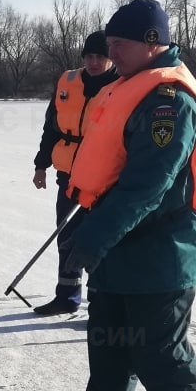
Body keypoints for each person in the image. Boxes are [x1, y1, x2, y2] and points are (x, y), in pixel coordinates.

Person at [56, 0, 196, 391]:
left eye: (119, 44)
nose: (111, 52)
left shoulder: (170, 101)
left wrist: (94, 236)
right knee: (108, 333)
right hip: (120, 241)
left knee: (157, 346)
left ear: (152, 43)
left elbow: (147, 185)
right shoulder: (129, 88)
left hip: (161, 246)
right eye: (107, 44)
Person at [30, 30, 118, 315]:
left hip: (105, 178)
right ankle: (66, 296)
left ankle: (100, 304)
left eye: (100, 57)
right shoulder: (68, 83)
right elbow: (51, 128)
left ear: (110, 58)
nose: (93, 62)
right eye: (89, 56)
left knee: (99, 240)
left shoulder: (122, 86)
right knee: (66, 235)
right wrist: (40, 165)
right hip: (68, 175)